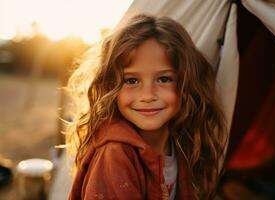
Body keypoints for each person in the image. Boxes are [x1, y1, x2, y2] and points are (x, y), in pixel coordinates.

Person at [66, 14, 227, 200]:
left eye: (164, 79)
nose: (148, 96)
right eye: (132, 80)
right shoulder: (115, 155)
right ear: (111, 87)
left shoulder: (180, 142)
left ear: (187, 83)